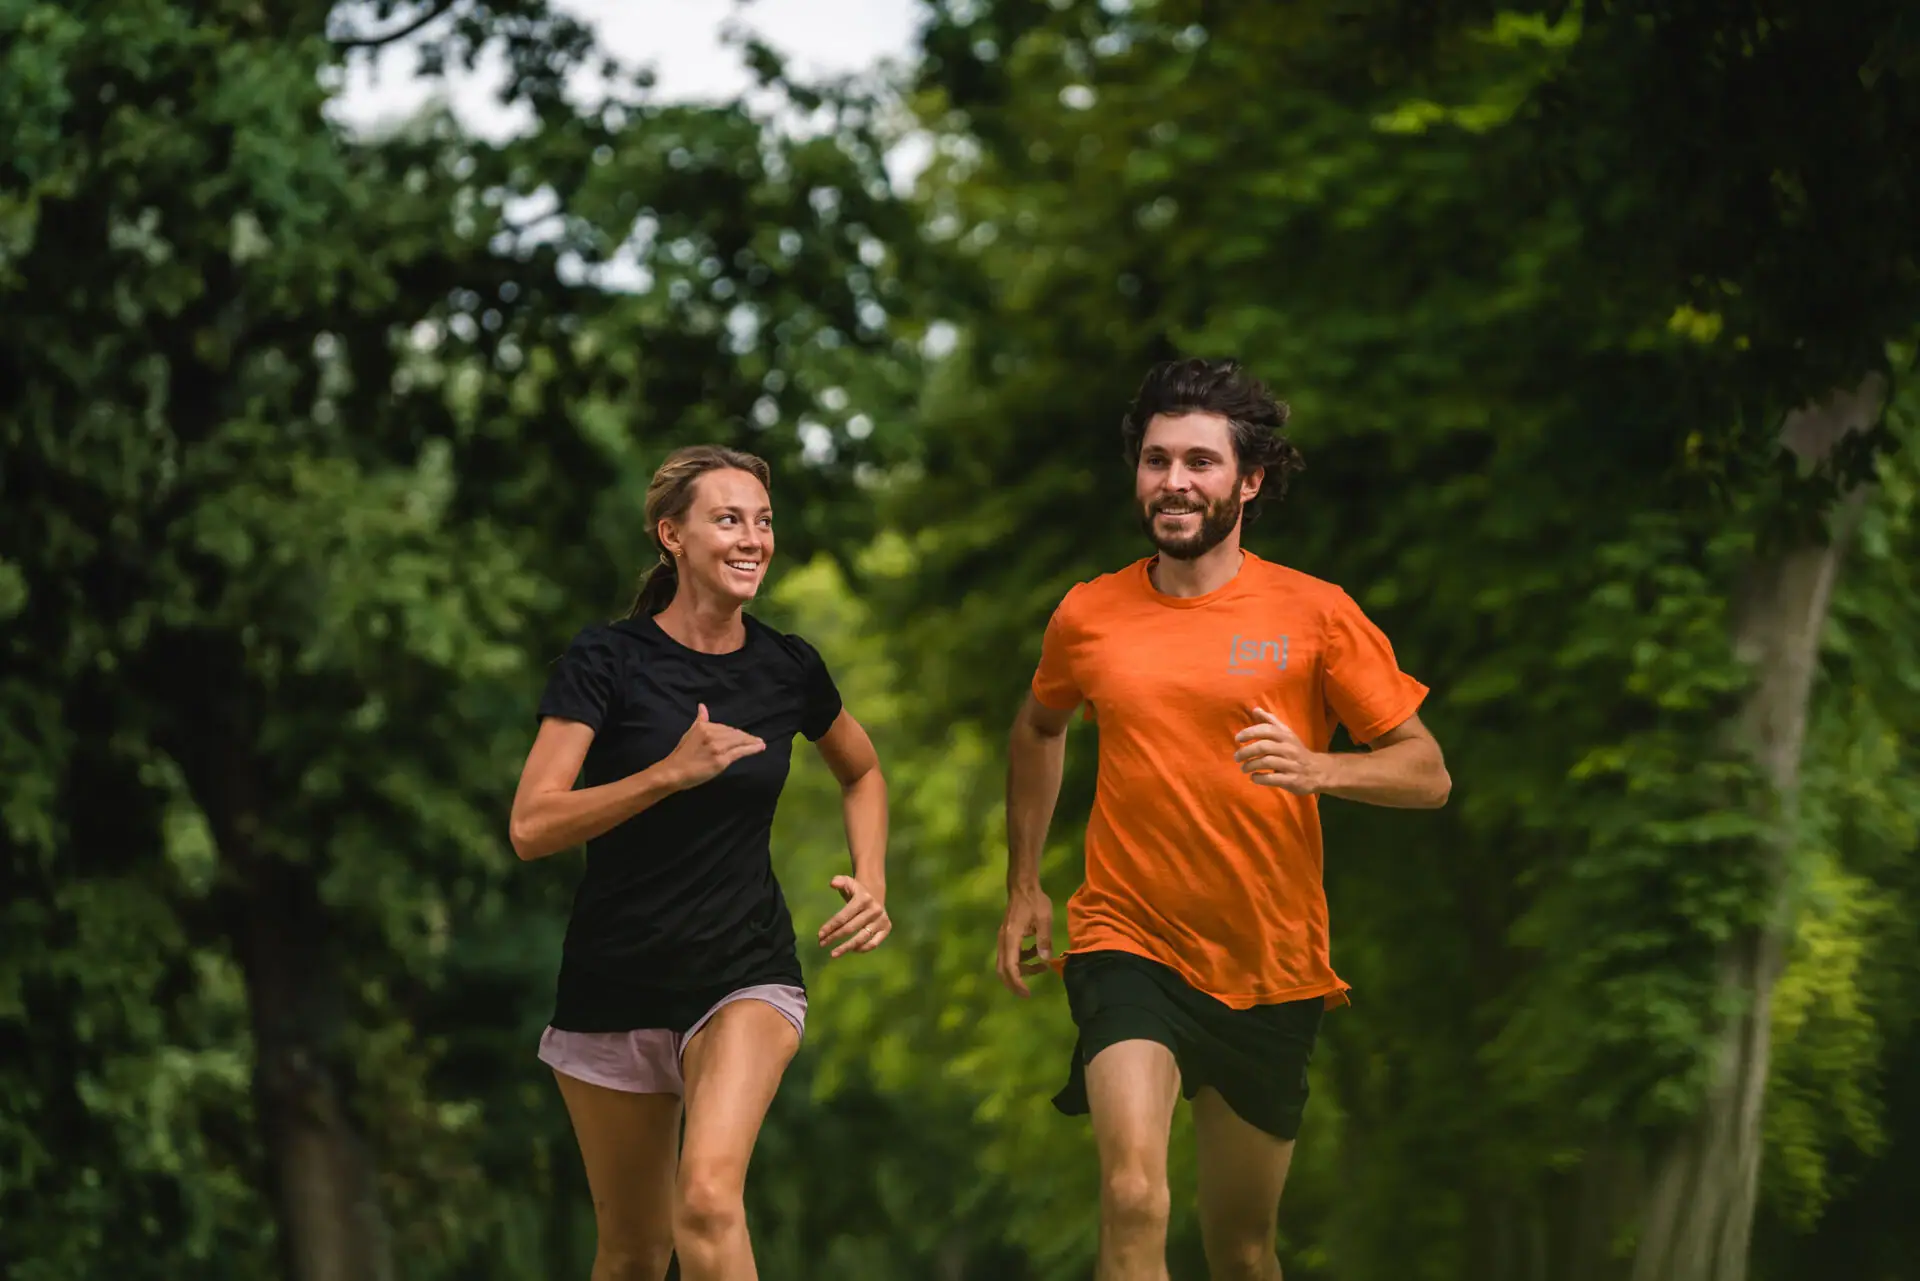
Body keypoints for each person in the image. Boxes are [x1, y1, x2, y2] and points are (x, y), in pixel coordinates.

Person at [997, 358, 1450, 1281]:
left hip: (1269, 960)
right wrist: (1023, 885)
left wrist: (1320, 768)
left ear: (1248, 480)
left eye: (1199, 462)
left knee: (1241, 1247)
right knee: (1132, 1195)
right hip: (1128, 937)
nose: (1174, 481)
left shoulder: (1314, 613)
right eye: (1157, 459)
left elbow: (1428, 772)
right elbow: (1039, 727)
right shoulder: (1089, 614)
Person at [509, 444, 889, 1281]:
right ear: (671, 535)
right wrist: (666, 774)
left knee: (710, 1203)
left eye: (763, 520)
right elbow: (532, 825)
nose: (754, 537)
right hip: (613, 984)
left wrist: (873, 874)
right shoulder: (606, 662)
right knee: (634, 1254)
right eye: (729, 519)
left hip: (742, 972)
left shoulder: (787, 666)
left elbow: (860, 768)